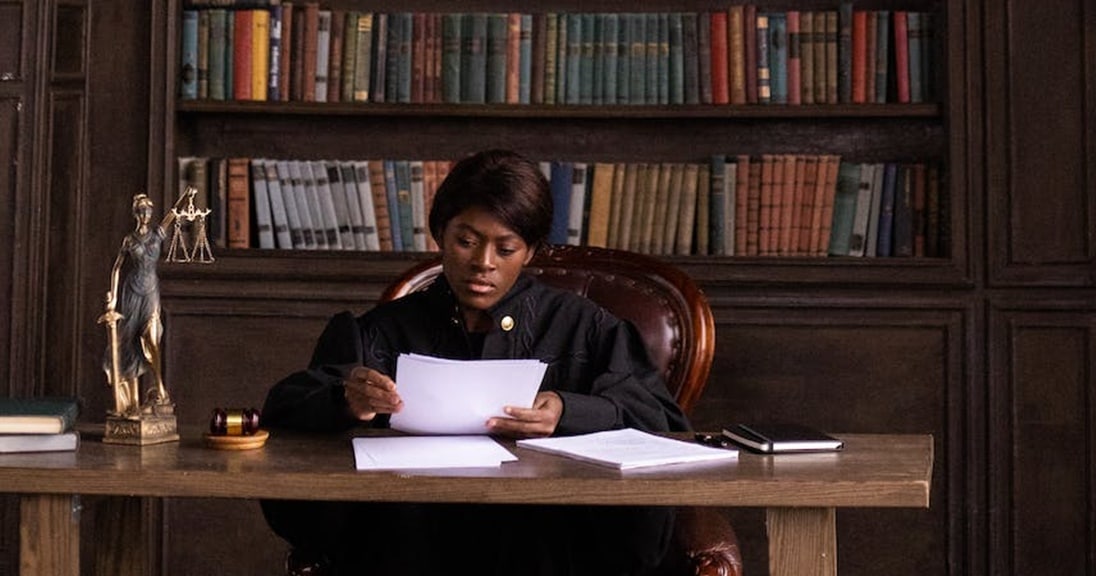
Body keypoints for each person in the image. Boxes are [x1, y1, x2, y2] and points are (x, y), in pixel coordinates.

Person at [260, 149, 690, 576]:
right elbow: (287, 410)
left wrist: (568, 410)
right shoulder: (378, 330)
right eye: (466, 241)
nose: (483, 264)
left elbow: (664, 422)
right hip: (413, 543)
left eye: (506, 249)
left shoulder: (589, 328)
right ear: (440, 234)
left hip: (548, 541)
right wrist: (347, 401)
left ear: (531, 252)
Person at [100, 190, 192, 417]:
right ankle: (131, 403)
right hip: (131, 292)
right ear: (135, 213)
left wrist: (186, 195)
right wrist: (112, 297)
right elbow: (117, 267)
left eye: (148, 210)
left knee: (151, 339)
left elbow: (171, 215)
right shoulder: (129, 240)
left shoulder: (157, 235)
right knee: (128, 340)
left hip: (151, 290)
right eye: (141, 211)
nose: (145, 214)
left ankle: (160, 388)